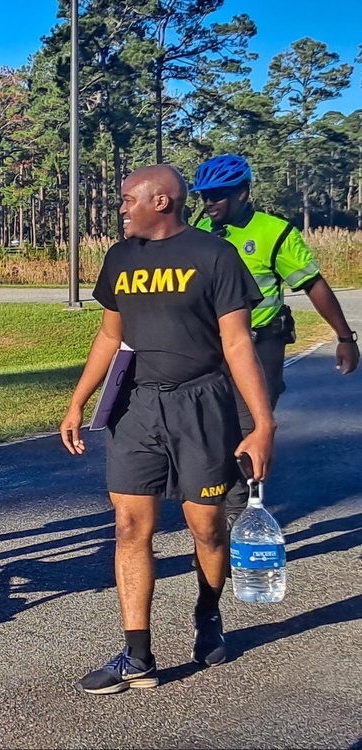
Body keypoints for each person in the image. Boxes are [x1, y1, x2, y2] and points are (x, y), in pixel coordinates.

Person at [60, 164, 276, 695]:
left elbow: (237, 345)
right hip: (136, 409)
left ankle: (207, 611)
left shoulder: (214, 256)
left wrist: (263, 423)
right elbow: (110, 337)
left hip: (202, 407)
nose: (121, 207)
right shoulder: (120, 258)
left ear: (162, 201)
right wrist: (76, 402)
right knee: (131, 528)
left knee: (205, 527)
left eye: (128, 198)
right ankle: (137, 655)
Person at [192, 154, 360, 527]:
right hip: (210, 347)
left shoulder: (276, 232)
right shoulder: (199, 228)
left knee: (248, 427)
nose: (209, 203)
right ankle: (217, 510)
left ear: (243, 193)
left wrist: (344, 337)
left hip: (259, 345)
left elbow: (313, 284)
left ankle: (241, 518)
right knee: (209, 431)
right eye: (204, 196)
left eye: (217, 195)